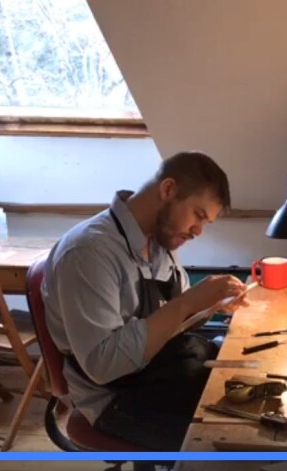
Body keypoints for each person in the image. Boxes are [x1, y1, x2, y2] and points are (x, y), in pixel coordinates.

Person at [41, 151, 247, 451]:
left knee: (248, 397)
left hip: (158, 372)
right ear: (168, 190)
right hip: (113, 398)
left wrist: (209, 305)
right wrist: (187, 303)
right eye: (198, 215)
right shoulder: (89, 252)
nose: (198, 231)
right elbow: (103, 364)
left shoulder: (160, 239)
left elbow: (172, 320)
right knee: (229, 444)